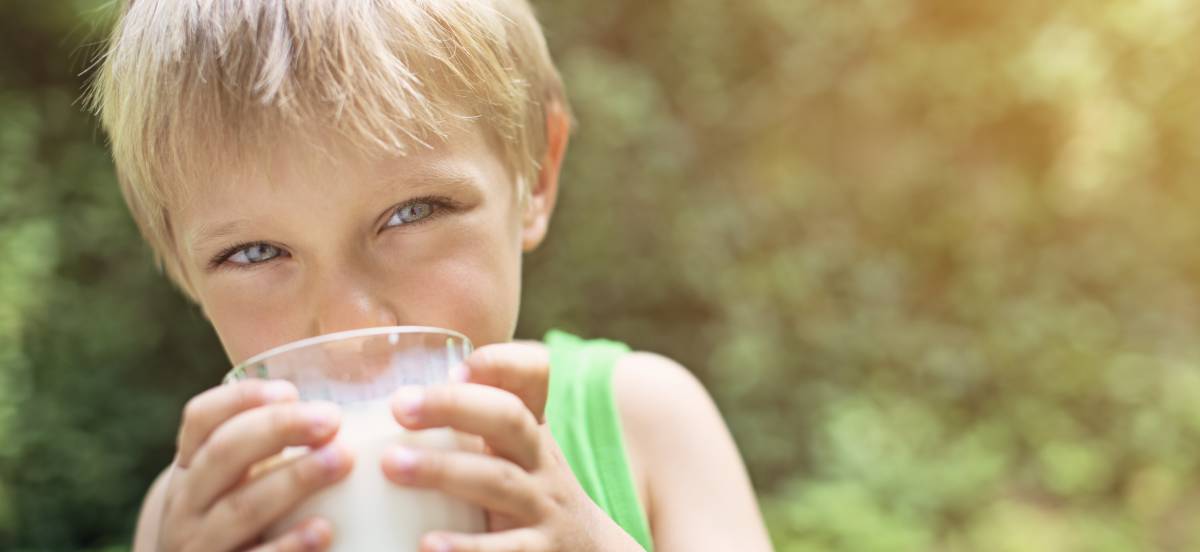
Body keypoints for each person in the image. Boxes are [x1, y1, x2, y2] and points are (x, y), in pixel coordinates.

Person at [89, 1, 773, 550]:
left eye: (412, 212)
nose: (353, 327)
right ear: (182, 265)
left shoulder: (642, 420)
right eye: (256, 253)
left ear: (535, 175)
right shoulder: (194, 513)